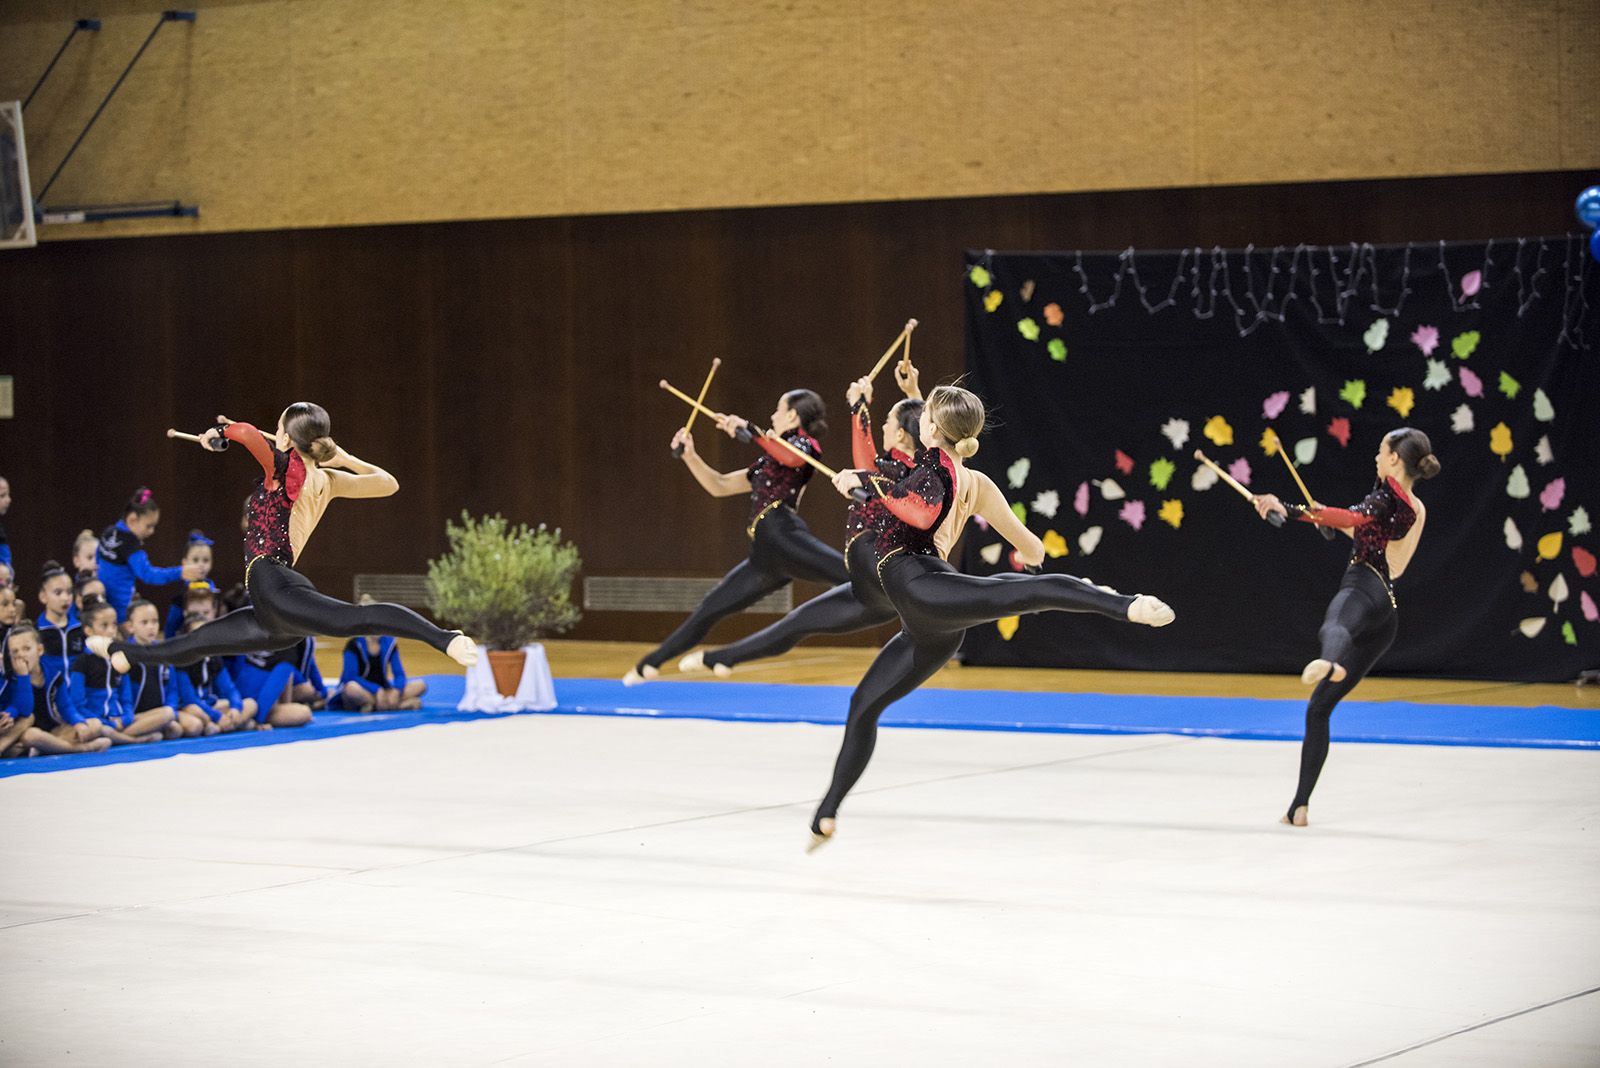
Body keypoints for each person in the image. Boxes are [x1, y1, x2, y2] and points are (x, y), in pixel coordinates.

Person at [808, 385, 1175, 849]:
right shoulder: (946, 471)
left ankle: (1123, 604)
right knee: (864, 705)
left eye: (925, 415)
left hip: (923, 588)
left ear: (931, 428)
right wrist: (868, 411)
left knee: (1019, 592)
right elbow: (1029, 544)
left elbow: (918, 512)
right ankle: (827, 812)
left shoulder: (934, 470)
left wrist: (867, 483)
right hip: (928, 627)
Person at [89, 403, 477, 675]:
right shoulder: (329, 479)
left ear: (287, 439)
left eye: (278, 430)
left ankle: (445, 639)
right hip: (275, 611)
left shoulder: (283, 470)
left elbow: (244, 432)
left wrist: (218, 434)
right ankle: (125, 654)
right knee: (201, 642)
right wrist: (342, 458)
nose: (274, 435)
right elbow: (387, 483)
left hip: (274, 584)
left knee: (355, 619)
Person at [1251, 427, 1437, 827]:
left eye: (1380, 450)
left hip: (1364, 586)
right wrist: (1324, 519)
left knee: (1335, 625)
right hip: (1386, 615)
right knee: (1318, 709)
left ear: (1393, 459)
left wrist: (1287, 508)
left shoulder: (1385, 497)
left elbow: (1357, 517)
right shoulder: (1413, 507)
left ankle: (1332, 661)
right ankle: (1299, 807)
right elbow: (1367, 530)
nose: (1375, 457)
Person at [624, 389, 849, 685]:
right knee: (710, 608)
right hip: (765, 555)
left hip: (784, 535)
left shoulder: (805, 446)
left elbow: (791, 457)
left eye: (778, 410)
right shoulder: (768, 461)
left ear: (793, 416)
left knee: (854, 576)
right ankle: (650, 664)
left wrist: (750, 430)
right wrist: (691, 456)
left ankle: (729, 655)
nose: (773, 416)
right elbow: (719, 485)